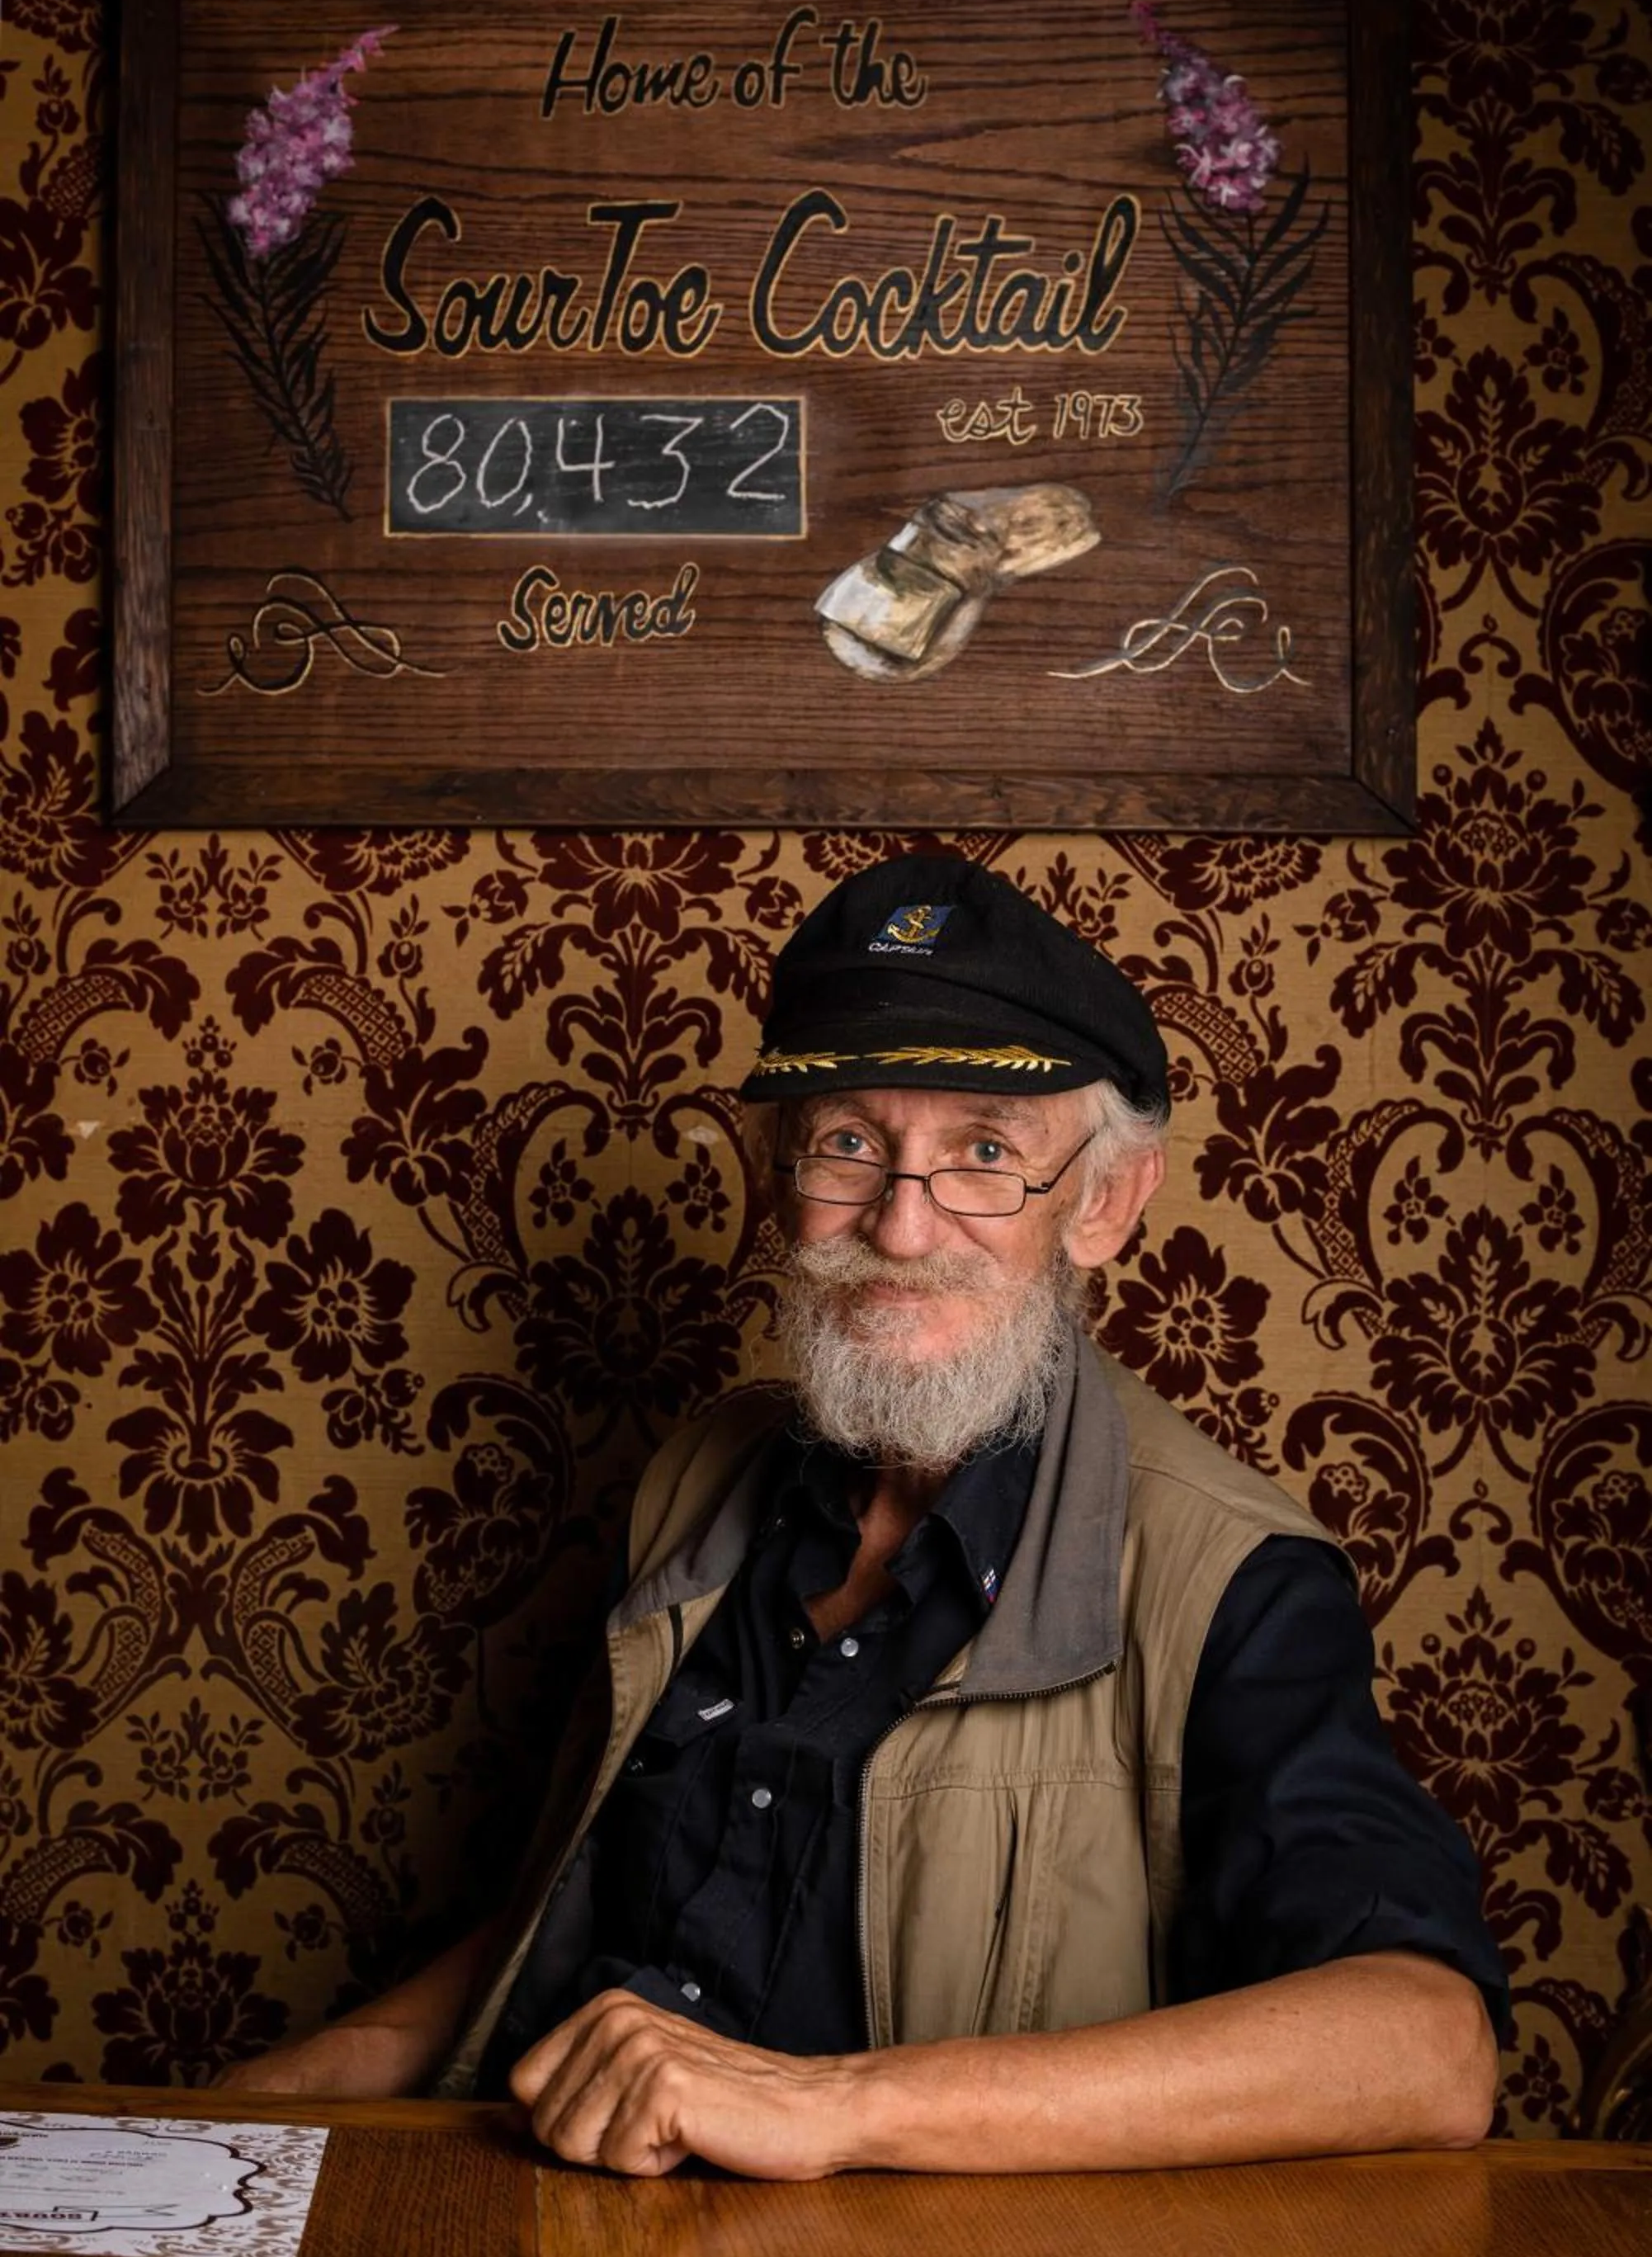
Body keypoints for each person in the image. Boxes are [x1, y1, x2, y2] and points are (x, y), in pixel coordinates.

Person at [220, 853, 1507, 2176]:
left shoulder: (1232, 1578)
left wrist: (836, 2107)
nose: (898, 1228)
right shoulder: (699, 1474)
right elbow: (576, 1909)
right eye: (849, 1145)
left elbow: (1424, 2046)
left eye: (983, 1155)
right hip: (564, 2210)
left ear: (1104, 1205)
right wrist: (281, 2090)